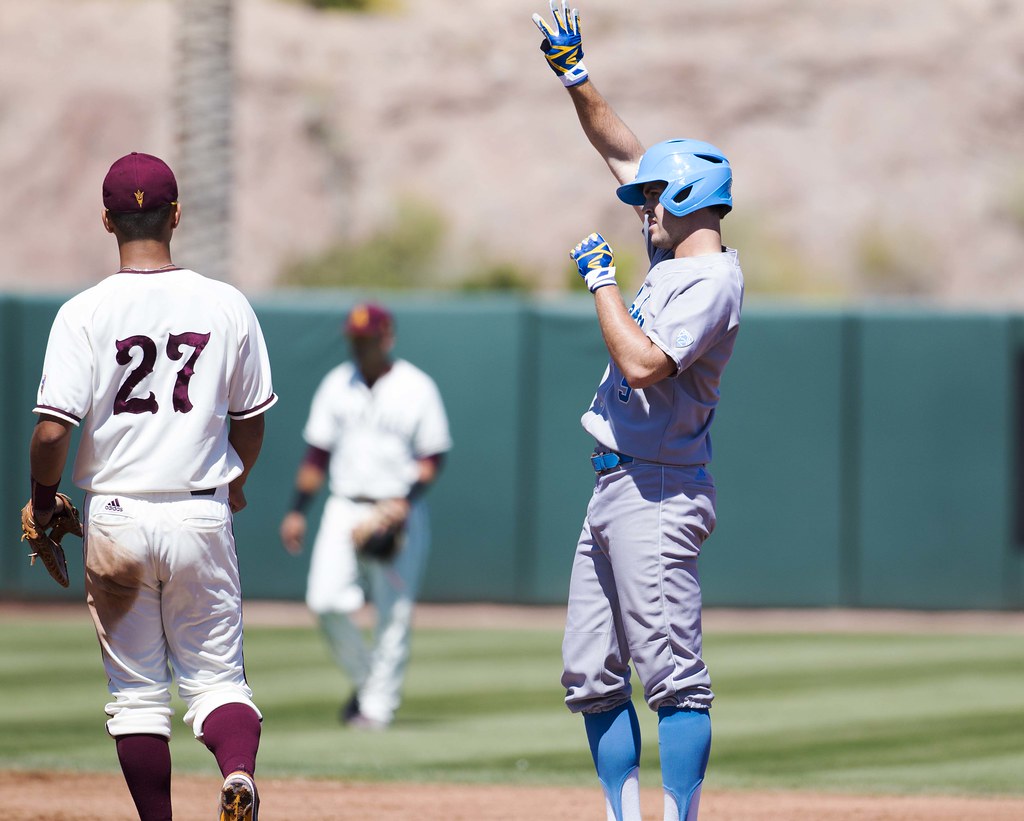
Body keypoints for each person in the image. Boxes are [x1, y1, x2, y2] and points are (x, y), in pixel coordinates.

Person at [531, 3, 744, 820]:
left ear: (689, 197)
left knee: (673, 674)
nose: (642, 204)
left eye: (655, 196)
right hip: (617, 483)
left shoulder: (713, 280)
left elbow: (644, 361)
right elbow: (624, 148)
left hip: (659, 490)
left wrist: (601, 283)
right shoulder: (673, 249)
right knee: (590, 673)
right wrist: (577, 78)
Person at [28, 151, 277, 821]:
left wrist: (44, 498)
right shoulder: (226, 305)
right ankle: (237, 773)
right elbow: (250, 421)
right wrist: (239, 481)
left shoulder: (83, 313)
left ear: (107, 220)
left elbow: (53, 432)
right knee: (218, 679)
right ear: (176, 214)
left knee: (137, 694)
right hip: (199, 509)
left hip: (115, 516)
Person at [280, 302, 451, 730]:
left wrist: (405, 501)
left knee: (393, 613)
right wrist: (297, 511)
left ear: (386, 338)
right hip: (344, 506)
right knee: (323, 601)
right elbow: (316, 454)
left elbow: (433, 455)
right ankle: (369, 680)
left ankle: (377, 708)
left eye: (367, 341)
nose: (360, 349)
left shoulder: (417, 387)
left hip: (396, 509)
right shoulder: (337, 385)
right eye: (355, 341)